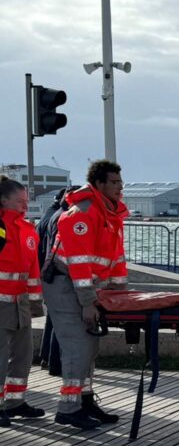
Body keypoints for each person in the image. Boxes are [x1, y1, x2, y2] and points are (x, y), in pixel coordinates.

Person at [41, 159, 128, 429]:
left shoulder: (110, 214)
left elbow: (115, 257)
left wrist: (119, 292)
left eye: (121, 182)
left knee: (89, 348)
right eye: (114, 182)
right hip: (65, 285)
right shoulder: (83, 213)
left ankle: (85, 401)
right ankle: (68, 408)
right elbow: (78, 263)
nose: (120, 187)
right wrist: (89, 302)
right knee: (77, 348)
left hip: (83, 287)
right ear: (99, 184)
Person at [0, 177, 46, 426]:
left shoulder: (28, 230)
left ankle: (15, 402)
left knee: (24, 355)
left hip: (20, 304)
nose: (25, 206)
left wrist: (35, 302)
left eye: (26, 201)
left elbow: (33, 270)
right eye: (20, 201)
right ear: (3, 200)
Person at [36, 188, 69, 375]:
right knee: (58, 320)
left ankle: (46, 358)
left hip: (47, 273)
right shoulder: (60, 217)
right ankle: (53, 362)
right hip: (54, 275)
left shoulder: (49, 215)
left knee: (52, 319)